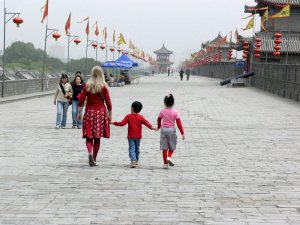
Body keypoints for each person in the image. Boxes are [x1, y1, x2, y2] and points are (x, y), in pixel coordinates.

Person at [77, 66, 112, 167]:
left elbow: (81, 99)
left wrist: (79, 113)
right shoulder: (104, 86)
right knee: (97, 138)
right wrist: (110, 114)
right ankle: (94, 159)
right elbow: (108, 102)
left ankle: (89, 153)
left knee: (89, 136)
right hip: (100, 113)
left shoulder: (87, 85)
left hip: (89, 113)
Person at [110, 101, 156, 168]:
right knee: (137, 149)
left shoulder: (128, 116)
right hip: (138, 137)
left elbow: (122, 123)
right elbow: (146, 123)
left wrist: (113, 123)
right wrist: (151, 127)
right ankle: (136, 159)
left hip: (131, 136)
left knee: (132, 148)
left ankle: (133, 160)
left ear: (132, 108)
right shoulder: (140, 117)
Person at [157, 94, 185, 169]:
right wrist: (182, 133)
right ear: (173, 103)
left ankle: (165, 164)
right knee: (172, 146)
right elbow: (179, 123)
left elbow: (159, 119)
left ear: (164, 103)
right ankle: (169, 157)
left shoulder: (162, 111)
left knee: (164, 147)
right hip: (171, 130)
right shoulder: (175, 112)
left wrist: (159, 127)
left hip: (163, 130)